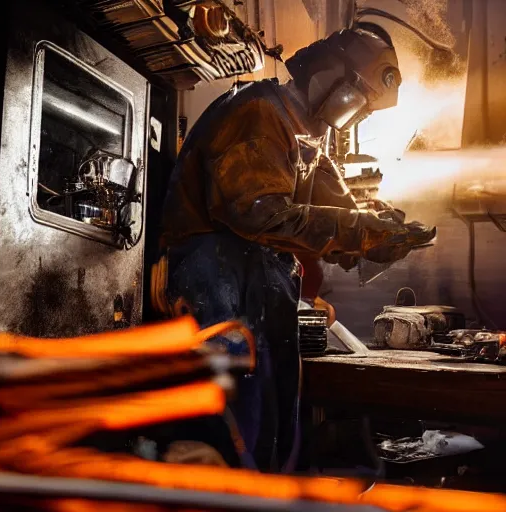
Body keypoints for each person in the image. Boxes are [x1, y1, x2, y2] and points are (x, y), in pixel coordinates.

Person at [157, 28, 435, 471]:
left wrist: (383, 237)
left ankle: (259, 495)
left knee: (272, 415)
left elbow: (339, 213)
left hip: (262, 286)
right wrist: (361, 231)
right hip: (217, 278)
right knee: (229, 415)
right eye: (356, 101)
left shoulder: (307, 137)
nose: (353, 116)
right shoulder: (255, 112)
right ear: (328, 76)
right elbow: (259, 213)